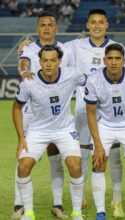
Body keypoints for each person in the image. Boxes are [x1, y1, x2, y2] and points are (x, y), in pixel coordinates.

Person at [65, 8, 125, 217]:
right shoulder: (75, 47)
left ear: (107, 25)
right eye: (93, 22)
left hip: (112, 112)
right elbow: (50, 50)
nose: (97, 26)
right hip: (84, 110)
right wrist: (27, 48)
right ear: (88, 25)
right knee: (83, 154)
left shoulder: (117, 47)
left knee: (115, 156)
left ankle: (116, 199)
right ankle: (80, 196)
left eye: (101, 22)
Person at [13, 45, 86, 220]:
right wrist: (21, 138)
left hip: (65, 129)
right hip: (38, 130)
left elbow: (93, 80)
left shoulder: (72, 74)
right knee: (23, 167)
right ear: (39, 62)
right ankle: (29, 212)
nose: (48, 64)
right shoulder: (29, 82)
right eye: (45, 60)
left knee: (75, 166)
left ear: (59, 61)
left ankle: (77, 212)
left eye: (53, 60)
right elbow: (16, 108)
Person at [15, 11, 72, 220]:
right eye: (42, 25)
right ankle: (18, 205)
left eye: (50, 24)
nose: (46, 28)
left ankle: (58, 204)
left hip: (58, 115)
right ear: (37, 28)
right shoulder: (28, 48)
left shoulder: (66, 50)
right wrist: (23, 72)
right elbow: (23, 63)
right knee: (24, 158)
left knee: (56, 158)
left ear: (56, 28)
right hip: (32, 113)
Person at [84, 44, 125, 220]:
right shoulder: (94, 80)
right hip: (104, 124)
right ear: (104, 60)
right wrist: (97, 145)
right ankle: (100, 212)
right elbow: (91, 113)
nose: (113, 62)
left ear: (124, 61)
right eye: (110, 58)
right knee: (98, 162)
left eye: (117, 58)